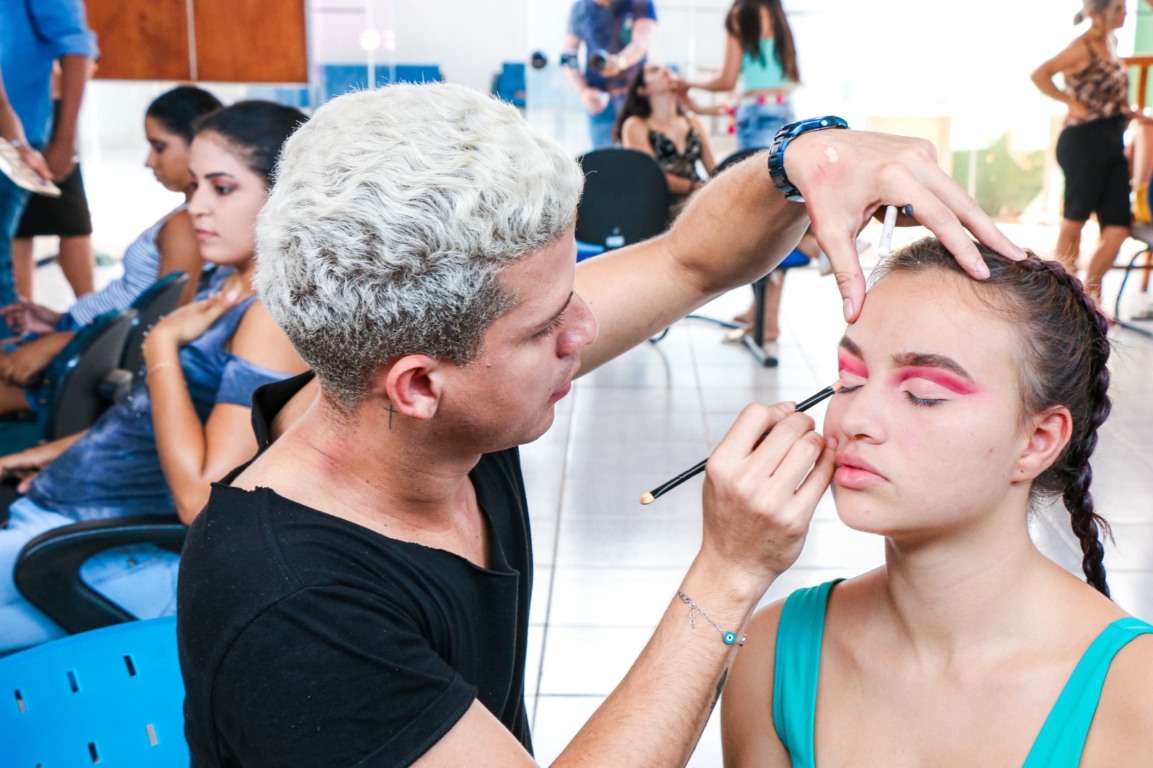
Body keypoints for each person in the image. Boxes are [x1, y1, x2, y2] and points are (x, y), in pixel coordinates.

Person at [176, 82, 1023, 767]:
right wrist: (727, 573)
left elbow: (690, 259)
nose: (584, 335)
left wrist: (799, 155)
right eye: (546, 329)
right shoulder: (294, 612)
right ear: (419, 385)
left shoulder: (409, 407)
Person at [721, 237, 1153, 767]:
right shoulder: (773, 650)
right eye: (850, 380)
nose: (854, 422)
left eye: (924, 392)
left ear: (1038, 440)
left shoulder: (1138, 695)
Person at [0, 100, 308, 653]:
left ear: (287, 195)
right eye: (194, 188)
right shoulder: (224, 288)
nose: (197, 208)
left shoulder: (268, 315)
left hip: (97, 558)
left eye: (222, 188)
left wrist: (161, 344)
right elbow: (146, 420)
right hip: (58, 521)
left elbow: (201, 501)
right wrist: (38, 457)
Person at [0, 85, 220, 405]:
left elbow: (162, 324)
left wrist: (59, 343)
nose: (149, 161)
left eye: (159, 147)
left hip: (87, 353)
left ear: (200, 146)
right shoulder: (182, 217)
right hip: (81, 334)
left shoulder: (185, 227)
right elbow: (136, 300)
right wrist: (54, 319)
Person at [1032, 0, 1135, 302]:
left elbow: (1109, 93)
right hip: (1083, 142)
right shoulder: (1083, 46)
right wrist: (1070, 102)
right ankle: (1061, 298)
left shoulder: (1111, 42)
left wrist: (1131, 113)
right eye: (1120, 8)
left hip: (1113, 141)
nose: (1125, 13)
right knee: (1075, 220)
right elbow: (1040, 74)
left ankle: (1091, 295)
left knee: (1118, 229)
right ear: (1101, 12)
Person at [0, 0, 98, 308]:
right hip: (20, 136)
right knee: (14, 243)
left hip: (28, 133)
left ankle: (88, 318)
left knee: (70, 224)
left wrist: (60, 140)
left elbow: (75, 44)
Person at [11, 59, 100, 302]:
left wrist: (64, 137)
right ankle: (20, 316)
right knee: (18, 227)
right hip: (14, 111)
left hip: (47, 109)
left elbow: (81, 57)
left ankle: (90, 310)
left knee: (74, 222)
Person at [679, 0, 800, 151]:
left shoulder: (740, 16)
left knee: (757, 173)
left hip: (755, 114)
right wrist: (699, 108)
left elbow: (727, 81)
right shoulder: (779, 17)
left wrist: (688, 84)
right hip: (784, 108)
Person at [615, 62, 717, 218]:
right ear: (642, 90)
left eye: (667, 68)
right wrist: (695, 187)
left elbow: (715, 170)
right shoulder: (635, 125)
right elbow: (651, 176)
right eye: (654, 70)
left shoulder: (693, 121)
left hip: (698, 198)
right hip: (661, 203)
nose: (665, 71)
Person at [561, 0, 657, 149]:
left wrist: (621, 61)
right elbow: (567, 55)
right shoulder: (580, 8)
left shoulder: (640, 3)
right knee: (605, 162)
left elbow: (643, 39)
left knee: (641, 159)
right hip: (599, 101)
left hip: (636, 98)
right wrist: (583, 91)